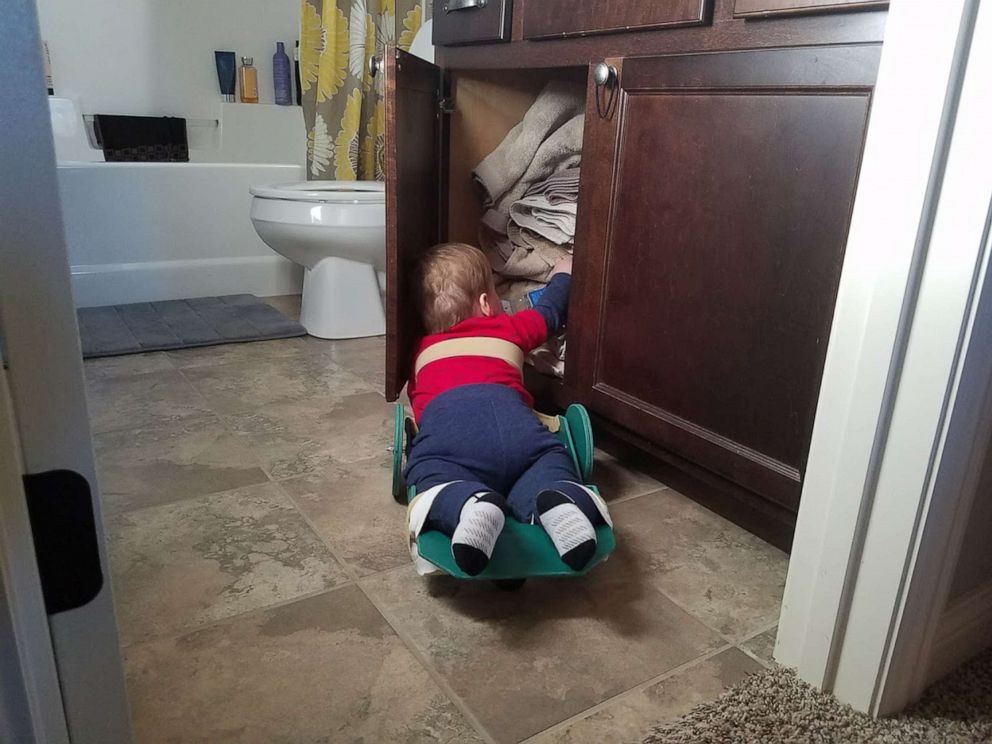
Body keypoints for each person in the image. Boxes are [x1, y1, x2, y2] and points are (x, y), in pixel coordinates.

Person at [404, 242, 610, 576]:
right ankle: (559, 501)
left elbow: (420, 405)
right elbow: (550, 312)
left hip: (451, 437)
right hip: (517, 428)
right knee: (547, 462)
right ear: (486, 305)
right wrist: (563, 276)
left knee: (431, 471)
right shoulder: (508, 329)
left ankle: (470, 505)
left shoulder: (420, 351)